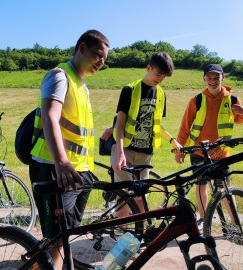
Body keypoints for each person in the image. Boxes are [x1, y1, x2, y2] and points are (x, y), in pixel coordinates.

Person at [29, 29, 109, 269]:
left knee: (64, 235)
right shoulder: (60, 76)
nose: (101, 62)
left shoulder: (81, 85)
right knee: (54, 237)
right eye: (98, 55)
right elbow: (49, 118)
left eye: (104, 59)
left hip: (78, 172)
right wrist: (61, 161)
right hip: (55, 168)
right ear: (82, 48)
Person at [174, 63, 243, 230]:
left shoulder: (232, 99)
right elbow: (185, 127)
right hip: (199, 152)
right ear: (204, 78)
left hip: (222, 154)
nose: (213, 81)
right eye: (209, 78)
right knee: (201, 186)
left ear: (223, 78)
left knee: (226, 189)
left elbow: (239, 119)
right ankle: (203, 220)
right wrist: (179, 150)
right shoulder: (197, 100)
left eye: (216, 77)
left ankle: (236, 226)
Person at [111, 52, 181, 214]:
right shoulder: (129, 90)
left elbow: (157, 125)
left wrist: (172, 141)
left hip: (145, 153)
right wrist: (120, 152)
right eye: (158, 74)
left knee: (141, 196)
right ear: (148, 68)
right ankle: (121, 233)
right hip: (125, 150)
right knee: (124, 195)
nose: (160, 79)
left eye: (164, 77)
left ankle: (139, 233)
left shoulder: (161, 94)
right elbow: (120, 124)